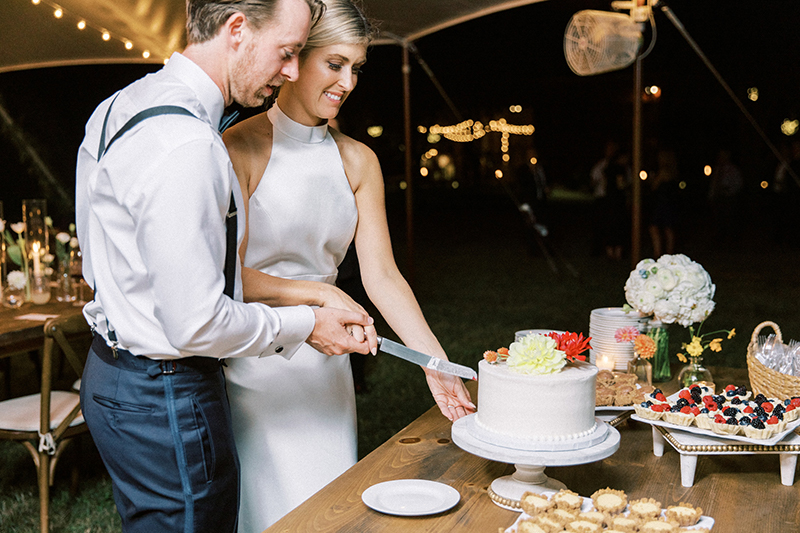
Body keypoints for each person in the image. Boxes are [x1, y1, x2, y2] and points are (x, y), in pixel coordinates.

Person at [74, 1, 377, 531]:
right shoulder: (190, 144)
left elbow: (98, 263)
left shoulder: (117, 107)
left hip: (109, 376)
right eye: (286, 53)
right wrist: (307, 322)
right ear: (237, 29)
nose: (290, 71)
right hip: (166, 388)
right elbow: (196, 321)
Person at [221, 1, 475, 529]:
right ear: (294, 60)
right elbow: (228, 277)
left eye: (356, 68)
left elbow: (382, 275)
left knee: (331, 512)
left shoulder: (359, 160)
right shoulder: (238, 147)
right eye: (335, 64)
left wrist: (436, 362)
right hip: (257, 364)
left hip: (328, 372)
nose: (348, 81)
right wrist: (318, 296)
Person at [647, 149, 681, 257]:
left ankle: (659, 252)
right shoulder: (673, 172)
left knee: (657, 227)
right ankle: (668, 252)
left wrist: (652, 180)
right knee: (667, 228)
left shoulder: (664, 171)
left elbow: (654, 186)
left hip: (663, 203)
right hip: (667, 203)